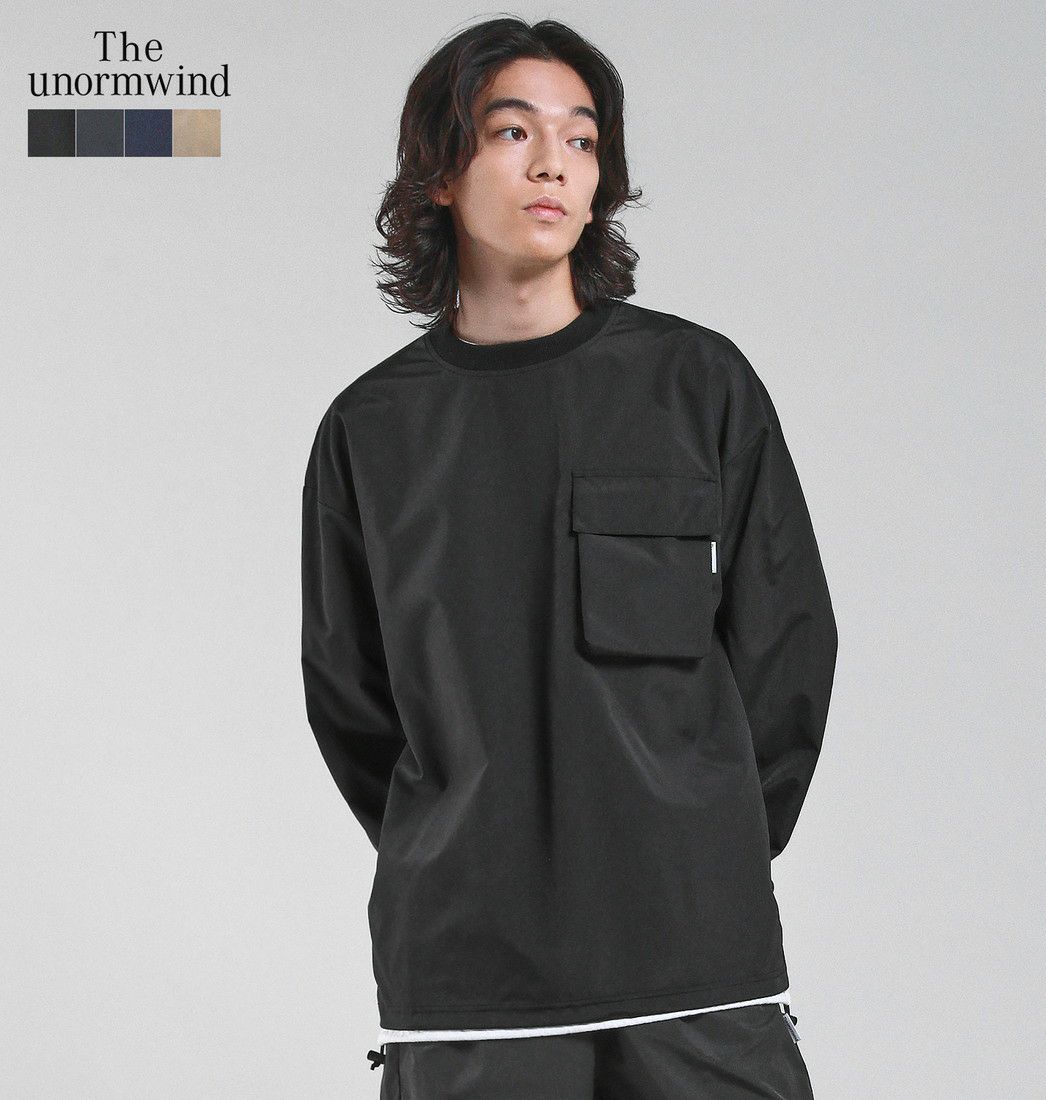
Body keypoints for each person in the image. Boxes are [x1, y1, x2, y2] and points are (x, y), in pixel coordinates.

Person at [301, 16, 838, 1099]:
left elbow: (787, 648)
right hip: (469, 978)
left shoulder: (697, 383)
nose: (553, 163)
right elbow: (352, 701)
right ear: (439, 172)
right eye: (512, 131)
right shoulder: (371, 430)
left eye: (582, 139)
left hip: (695, 963)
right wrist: (462, 849)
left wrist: (701, 848)